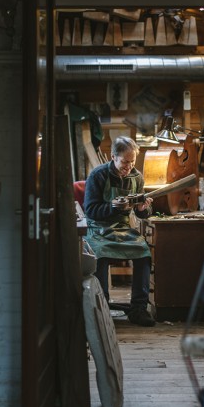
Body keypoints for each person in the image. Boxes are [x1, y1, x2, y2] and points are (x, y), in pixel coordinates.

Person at [83, 136, 156, 327]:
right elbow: (90, 211)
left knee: (144, 253)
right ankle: (103, 307)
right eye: (124, 161)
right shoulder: (98, 175)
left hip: (123, 228)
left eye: (132, 162)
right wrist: (113, 207)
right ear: (113, 157)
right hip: (98, 228)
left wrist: (142, 209)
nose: (128, 166)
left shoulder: (136, 177)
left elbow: (142, 213)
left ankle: (138, 309)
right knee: (100, 255)